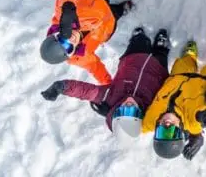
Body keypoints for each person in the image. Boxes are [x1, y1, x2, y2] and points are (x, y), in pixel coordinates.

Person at [39, 27, 171, 139]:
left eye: (123, 110)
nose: (129, 104)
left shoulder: (110, 97)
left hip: (132, 58)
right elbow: (172, 117)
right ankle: (161, 47)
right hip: (157, 69)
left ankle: (139, 37)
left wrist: (61, 87)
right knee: (161, 54)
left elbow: (86, 91)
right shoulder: (151, 108)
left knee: (139, 41)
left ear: (116, 111)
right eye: (133, 112)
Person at [142, 40, 206, 160]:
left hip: (178, 77)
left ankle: (190, 55)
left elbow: (133, 127)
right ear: (181, 132)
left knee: (184, 62)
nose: (167, 125)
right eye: (172, 132)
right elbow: (202, 114)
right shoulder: (192, 121)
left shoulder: (150, 120)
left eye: (162, 132)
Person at [38, 0, 133, 85]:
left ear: (55, 34)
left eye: (62, 39)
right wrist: (108, 84)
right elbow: (95, 67)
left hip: (94, 1)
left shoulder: (62, 19)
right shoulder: (81, 57)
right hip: (107, 25)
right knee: (115, 13)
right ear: (70, 54)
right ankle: (121, 9)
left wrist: (67, 8)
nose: (70, 39)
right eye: (68, 47)